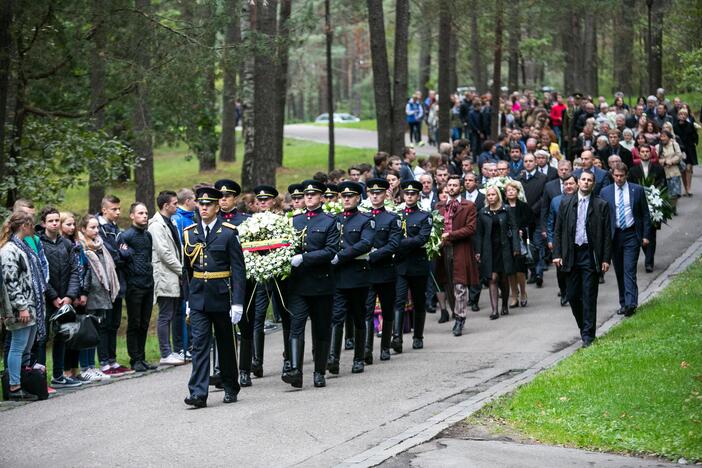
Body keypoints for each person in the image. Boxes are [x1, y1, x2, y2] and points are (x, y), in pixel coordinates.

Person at [183, 187, 246, 407]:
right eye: (201, 204)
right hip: (199, 297)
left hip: (222, 296)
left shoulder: (228, 232)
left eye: (208, 204)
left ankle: (230, 385)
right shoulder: (190, 233)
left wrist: (237, 302)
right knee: (200, 344)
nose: (203, 208)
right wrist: (188, 300)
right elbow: (187, 271)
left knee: (226, 344)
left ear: (217, 207)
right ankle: (198, 393)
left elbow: (238, 270)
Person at [286, 180, 339, 388]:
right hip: (298, 285)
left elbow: (331, 250)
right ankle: (296, 371)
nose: (308, 198)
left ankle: (319, 371)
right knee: (296, 327)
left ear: (321, 198)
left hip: (321, 284)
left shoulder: (329, 221)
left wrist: (305, 258)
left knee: (321, 329)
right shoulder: (294, 221)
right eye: (306, 195)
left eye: (313, 195)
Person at [553, 171, 612, 347]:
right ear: (578, 182)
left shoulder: (601, 205)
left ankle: (588, 335)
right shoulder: (566, 202)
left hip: (590, 254)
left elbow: (607, 235)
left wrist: (605, 259)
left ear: (593, 184)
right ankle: (583, 327)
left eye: (589, 180)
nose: (586, 183)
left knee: (589, 295)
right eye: (583, 180)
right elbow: (558, 230)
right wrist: (557, 254)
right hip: (571, 254)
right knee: (572, 295)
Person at [327, 181, 374, 375]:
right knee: (336, 317)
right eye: (343, 196)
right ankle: (333, 358)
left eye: (350, 196)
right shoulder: (334, 219)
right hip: (338, 276)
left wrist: (342, 255)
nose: (346, 199)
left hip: (357, 275)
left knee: (358, 316)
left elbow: (366, 243)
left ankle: (358, 358)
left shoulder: (365, 220)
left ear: (358, 198)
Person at [250, 185, 291, 385]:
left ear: (274, 201)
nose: (263, 202)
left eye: (266, 199)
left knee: (285, 315)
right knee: (257, 317)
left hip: (280, 274)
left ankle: (288, 357)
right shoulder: (251, 222)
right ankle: (257, 360)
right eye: (260, 199)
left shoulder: (283, 220)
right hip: (260, 275)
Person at [0, 211, 44, 400]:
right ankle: (14, 386)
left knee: (26, 348)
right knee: (17, 346)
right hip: (20, 307)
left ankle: (24, 382)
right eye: (31, 224)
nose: (33, 228)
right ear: (24, 226)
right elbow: (11, 281)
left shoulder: (23, 247)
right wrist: (21, 306)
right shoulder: (9, 250)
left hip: (32, 305)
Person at [38, 207, 82, 388]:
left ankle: (59, 376)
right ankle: (40, 380)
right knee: (42, 338)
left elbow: (75, 270)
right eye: (51, 221)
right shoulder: (39, 243)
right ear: (43, 224)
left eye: (57, 220)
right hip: (48, 299)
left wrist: (69, 296)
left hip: (65, 299)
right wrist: (53, 296)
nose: (55, 223)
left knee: (62, 336)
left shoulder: (67, 244)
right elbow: (40, 273)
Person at [601, 163, 651, 317]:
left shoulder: (637, 190)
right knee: (620, 271)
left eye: (621, 176)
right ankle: (623, 302)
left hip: (631, 234)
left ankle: (631, 303)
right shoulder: (605, 192)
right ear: (612, 175)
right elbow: (602, 217)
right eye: (616, 175)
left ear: (626, 175)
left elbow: (645, 215)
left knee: (629, 269)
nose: (619, 178)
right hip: (614, 236)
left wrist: (645, 235)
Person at [79, 214, 122, 380]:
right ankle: (85, 367)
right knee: (87, 332)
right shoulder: (82, 247)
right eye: (92, 227)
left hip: (102, 293)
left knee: (95, 331)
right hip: (90, 294)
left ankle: (92, 365)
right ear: (83, 229)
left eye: (97, 227)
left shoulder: (100, 245)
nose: (96, 231)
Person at [363, 178, 402, 362]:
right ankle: (367, 349)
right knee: (367, 310)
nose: (375, 196)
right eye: (372, 193)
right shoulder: (363, 217)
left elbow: (394, 244)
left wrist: (374, 254)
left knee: (387, 309)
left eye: (379, 192)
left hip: (385, 270)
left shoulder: (392, 218)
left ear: (386, 194)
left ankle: (385, 346)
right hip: (366, 271)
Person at [436, 175, 478, 336]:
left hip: (460, 248)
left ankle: (460, 318)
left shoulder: (469, 206)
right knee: (447, 284)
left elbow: (470, 228)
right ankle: (456, 313)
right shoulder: (439, 206)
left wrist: (450, 235)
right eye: (450, 185)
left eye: (455, 185)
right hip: (443, 250)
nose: (452, 187)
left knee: (460, 285)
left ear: (460, 188)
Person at [392, 180, 432, 352]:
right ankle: (397, 337)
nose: (409, 196)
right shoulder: (396, 214)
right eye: (406, 194)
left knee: (418, 300)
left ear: (417, 196)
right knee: (399, 300)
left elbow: (421, 239)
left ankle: (418, 336)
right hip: (400, 264)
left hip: (417, 264)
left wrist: (399, 244)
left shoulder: (424, 216)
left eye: (412, 194)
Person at [148, 191, 185, 367]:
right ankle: (165, 352)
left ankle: (173, 350)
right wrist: (182, 270)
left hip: (174, 275)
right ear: (165, 206)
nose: (177, 206)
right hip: (165, 275)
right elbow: (164, 253)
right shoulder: (156, 226)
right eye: (175, 203)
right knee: (165, 314)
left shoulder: (171, 222)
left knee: (173, 313)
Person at [96, 195, 131, 377]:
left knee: (115, 323)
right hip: (105, 284)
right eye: (114, 209)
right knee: (105, 323)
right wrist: (122, 253)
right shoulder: (98, 228)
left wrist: (122, 253)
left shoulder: (115, 228)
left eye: (119, 209)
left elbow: (126, 250)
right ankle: (103, 361)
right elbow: (112, 253)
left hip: (119, 281)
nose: (118, 212)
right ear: (104, 210)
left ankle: (112, 359)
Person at [119, 202, 155, 372]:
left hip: (148, 283)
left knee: (145, 322)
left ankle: (142, 356)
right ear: (132, 216)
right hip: (134, 285)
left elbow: (147, 257)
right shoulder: (126, 236)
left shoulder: (147, 236)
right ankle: (135, 358)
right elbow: (121, 259)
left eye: (146, 213)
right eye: (140, 213)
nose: (144, 216)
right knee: (135, 322)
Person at [474, 187, 520, 320]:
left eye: (493, 194)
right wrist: (478, 251)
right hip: (489, 249)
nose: (491, 197)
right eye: (488, 195)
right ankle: (494, 310)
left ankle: (504, 304)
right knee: (492, 278)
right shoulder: (482, 212)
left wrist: (516, 246)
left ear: (498, 196)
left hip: (504, 248)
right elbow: (479, 234)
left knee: (504, 279)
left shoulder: (506, 210)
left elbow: (514, 227)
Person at [628, 144, 666, 272]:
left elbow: (663, 184)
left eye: (647, 151)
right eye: (642, 151)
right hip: (638, 206)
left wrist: (656, 196)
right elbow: (631, 186)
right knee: (641, 232)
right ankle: (648, 255)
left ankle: (649, 261)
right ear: (638, 153)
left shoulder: (658, 169)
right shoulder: (633, 170)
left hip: (653, 204)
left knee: (652, 233)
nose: (644, 154)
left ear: (651, 153)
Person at [546, 175, 578, 306]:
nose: (569, 186)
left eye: (571, 184)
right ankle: (564, 292)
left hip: (577, 240)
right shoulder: (556, 201)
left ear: (577, 185)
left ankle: (574, 293)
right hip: (560, 241)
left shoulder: (581, 200)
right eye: (566, 184)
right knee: (561, 270)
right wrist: (550, 240)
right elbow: (550, 222)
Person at [519, 153, 547, 287]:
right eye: (526, 161)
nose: (528, 163)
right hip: (524, 219)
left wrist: (533, 209)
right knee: (527, 246)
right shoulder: (520, 178)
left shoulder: (543, 178)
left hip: (537, 218)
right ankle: (533, 272)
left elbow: (544, 197)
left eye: (531, 161)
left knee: (538, 245)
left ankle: (539, 273)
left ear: (536, 162)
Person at [503, 181, 530, 308]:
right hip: (507, 242)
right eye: (508, 190)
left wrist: (522, 231)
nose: (511, 192)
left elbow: (531, 223)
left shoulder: (524, 206)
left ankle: (523, 292)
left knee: (520, 269)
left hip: (520, 242)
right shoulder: (502, 207)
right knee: (510, 270)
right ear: (505, 193)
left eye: (513, 190)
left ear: (517, 192)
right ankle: (514, 295)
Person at [673, 107, 698, 196]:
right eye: (681, 114)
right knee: (683, 169)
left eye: (684, 114)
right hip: (680, 149)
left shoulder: (690, 125)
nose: (682, 116)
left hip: (690, 149)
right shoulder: (675, 126)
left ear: (686, 116)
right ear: (678, 115)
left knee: (688, 168)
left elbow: (695, 135)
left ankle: (689, 188)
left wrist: (695, 143)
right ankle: (685, 188)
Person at [658, 130, 684, 213]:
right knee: (666, 191)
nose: (662, 138)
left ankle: (673, 206)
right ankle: (669, 207)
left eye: (664, 136)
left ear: (669, 137)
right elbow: (657, 158)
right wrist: (665, 161)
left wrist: (671, 161)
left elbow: (679, 155)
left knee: (675, 192)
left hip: (674, 171)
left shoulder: (674, 144)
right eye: (661, 136)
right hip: (663, 172)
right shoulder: (658, 146)